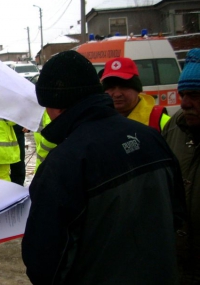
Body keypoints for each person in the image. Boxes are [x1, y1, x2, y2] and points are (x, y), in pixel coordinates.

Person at [22, 50, 186, 285]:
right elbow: (177, 214)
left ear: (55, 104)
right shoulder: (152, 138)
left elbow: (44, 260)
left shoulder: (65, 162)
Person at [162, 48, 200, 284]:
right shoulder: (174, 128)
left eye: (195, 94)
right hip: (177, 266)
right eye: (182, 93)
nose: (184, 103)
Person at [100, 56, 170, 131]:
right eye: (111, 88)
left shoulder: (160, 120)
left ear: (137, 89)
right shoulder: (99, 119)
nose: (117, 94)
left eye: (124, 87)